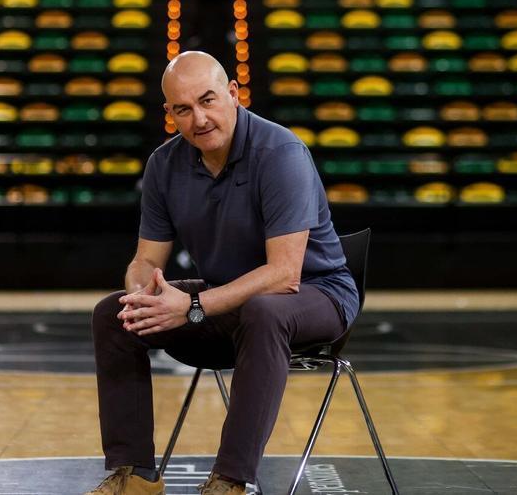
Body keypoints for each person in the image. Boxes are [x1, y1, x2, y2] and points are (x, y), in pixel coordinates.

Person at [84, 51, 360, 495]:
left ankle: (230, 480)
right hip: (225, 300)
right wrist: (142, 295)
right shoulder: (164, 164)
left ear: (233, 93)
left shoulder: (280, 152)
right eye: (183, 109)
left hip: (316, 296)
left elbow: (284, 275)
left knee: (265, 312)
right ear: (169, 114)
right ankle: (133, 475)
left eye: (208, 101)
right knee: (113, 315)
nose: (199, 118)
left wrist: (191, 305)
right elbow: (146, 260)